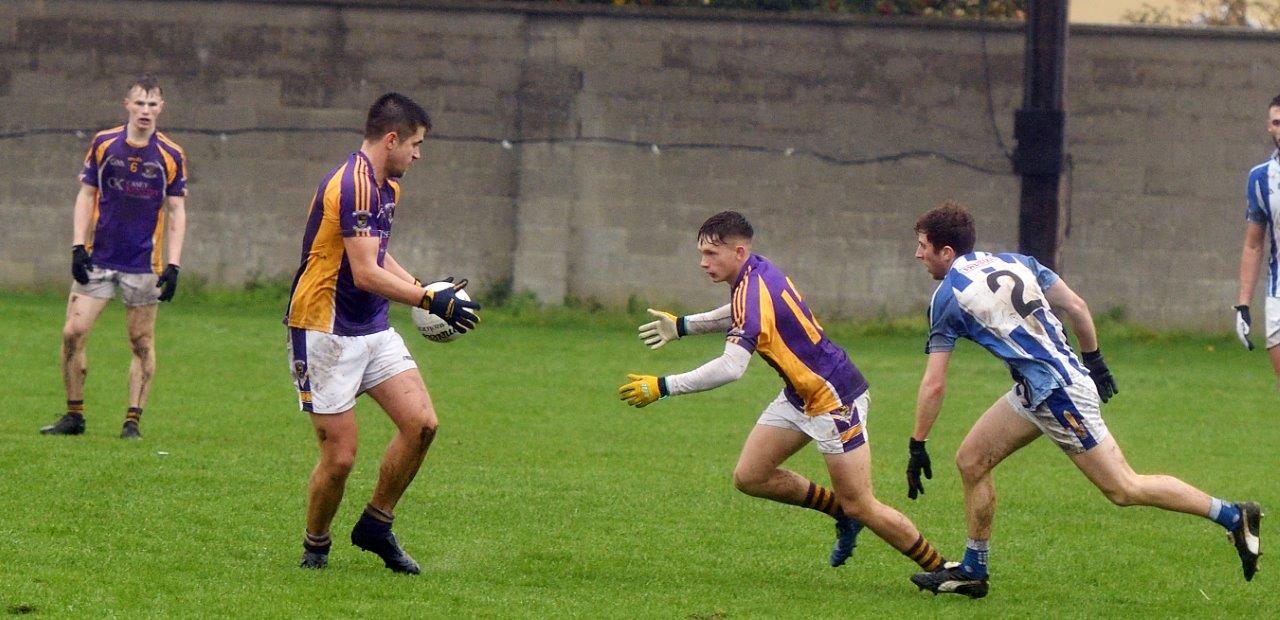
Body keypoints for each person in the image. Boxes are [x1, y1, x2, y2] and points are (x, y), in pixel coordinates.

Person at [906, 202, 1262, 599]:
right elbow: (1076, 306)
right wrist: (1095, 360)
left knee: (1124, 488)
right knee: (971, 460)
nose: (919, 255)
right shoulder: (1016, 261)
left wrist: (918, 442)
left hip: (1057, 396)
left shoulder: (947, 297)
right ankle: (974, 570)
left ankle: (1232, 515)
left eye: (924, 246)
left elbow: (934, 384)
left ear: (947, 252)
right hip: (1039, 388)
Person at [620, 210, 948, 577]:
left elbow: (731, 367)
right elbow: (741, 312)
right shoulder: (755, 273)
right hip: (801, 395)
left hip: (833, 399)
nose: (703, 263)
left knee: (863, 504)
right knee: (751, 476)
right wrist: (682, 326)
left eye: (712, 254)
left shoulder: (752, 286)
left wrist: (664, 387)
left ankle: (943, 569)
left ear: (740, 252)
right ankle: (840, 512)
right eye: (701, 253)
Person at [285, 92, 480, 573]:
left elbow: (378, 255)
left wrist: (422, 286)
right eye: (414, 144)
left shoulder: (387, 185)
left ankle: (376, 523)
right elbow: (364, 273)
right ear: (391, 139)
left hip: (373, 326)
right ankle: (316, 545)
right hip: (323, 329)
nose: (418, 154)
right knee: (341, 458)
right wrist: (428, 300)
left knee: (423, 425)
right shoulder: (353, 185)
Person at [40, 75, 187, 440]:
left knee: (140, 341)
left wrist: (173, 265)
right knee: (72, 332)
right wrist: (77, 246)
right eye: (139, 103)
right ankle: (74, 416)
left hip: (144, 264)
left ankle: (132, 421)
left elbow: (176, 211)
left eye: (153, 104)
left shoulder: (171, 154)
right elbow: (86, 194)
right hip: (99, 258)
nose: (145, 111)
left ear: (161, 108)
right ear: (127, 104)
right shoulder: (104, 144)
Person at [1234, 93, 1280, 389]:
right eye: (1277, 122)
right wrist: (1243, 305)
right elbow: (1254, 244)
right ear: (1269, 126)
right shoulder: (1260, 179)